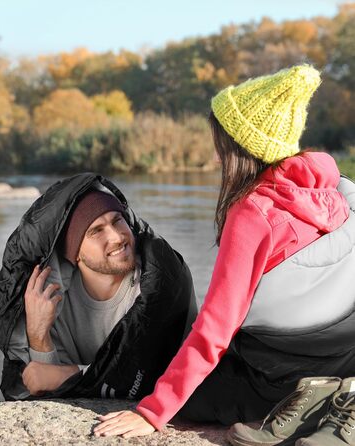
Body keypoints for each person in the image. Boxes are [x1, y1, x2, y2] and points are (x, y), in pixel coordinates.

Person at [93, 64, 355, 441]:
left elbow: (215, 328)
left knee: (176, 388)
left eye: (223, 146)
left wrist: (153, 412)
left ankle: (308, 401)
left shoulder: (253, 213)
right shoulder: (332, 192)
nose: (217, 158)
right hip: (341, 354)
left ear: (243, 148)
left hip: (279, 376)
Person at [0, 174, 197, 401]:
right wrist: (38, 335)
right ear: (75, 254)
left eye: (117, 220)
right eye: (96, 231)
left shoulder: (158, 285)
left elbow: (150, 375)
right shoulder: (52, 302)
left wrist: (72, 374)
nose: (116, 237)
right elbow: (44, 386)